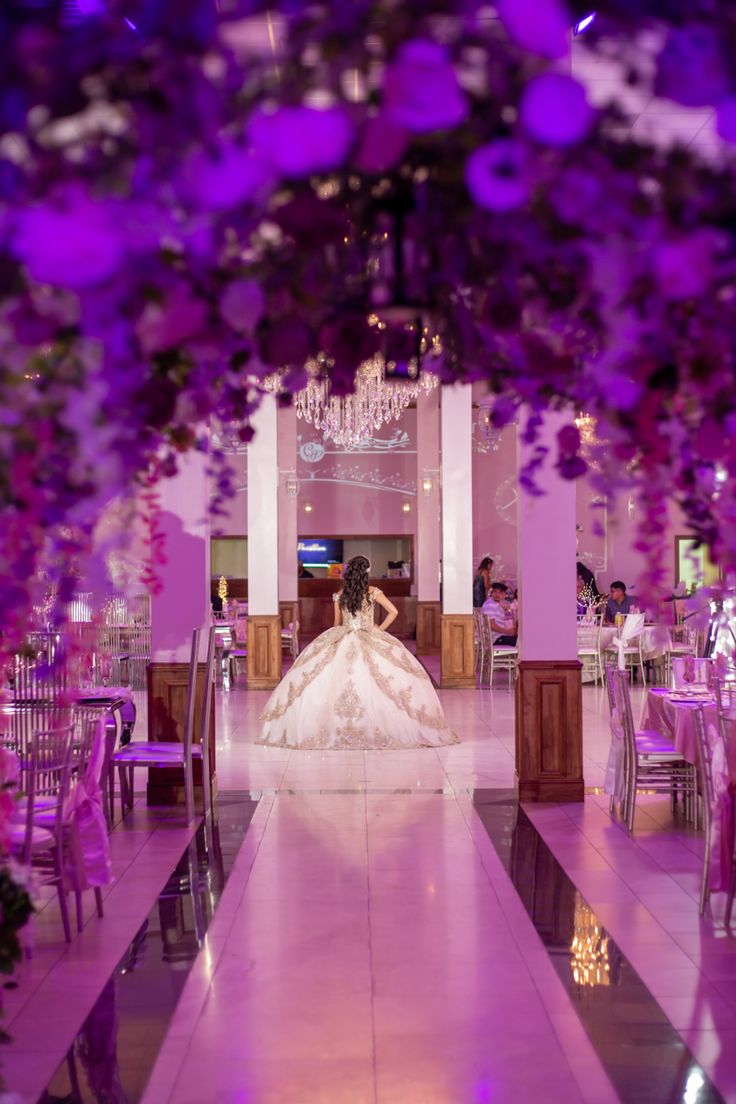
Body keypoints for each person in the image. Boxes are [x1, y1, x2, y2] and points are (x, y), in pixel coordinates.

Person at [258, 555, 458, 749]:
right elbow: (394, 612)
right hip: (369, 634)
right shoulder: (373, 592)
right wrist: (379, 629)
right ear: (366, 572)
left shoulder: (340, 594)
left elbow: (336, 624)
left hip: (343, 635)